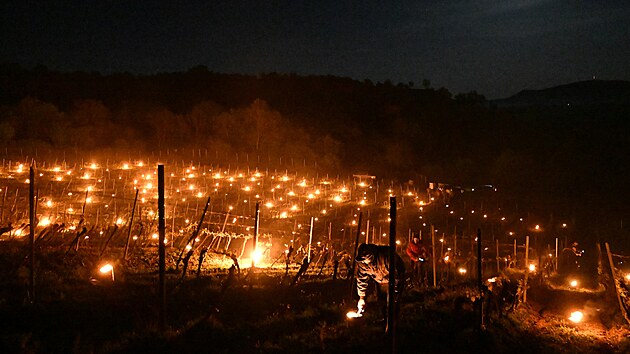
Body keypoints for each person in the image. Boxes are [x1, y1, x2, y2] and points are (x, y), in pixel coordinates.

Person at [355, 243, 405, 315]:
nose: (363, 262)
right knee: (381, 301)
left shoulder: (386, 256)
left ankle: (394, 320)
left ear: (371, 257)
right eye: (362, 260)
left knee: (393, 303)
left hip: (393, 280)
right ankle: (383, 319)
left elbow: (397, 274)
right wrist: (361, 297)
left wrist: (395, 291)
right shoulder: (362, 263)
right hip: (380, 280)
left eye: (364, 260)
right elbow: (361, 279)